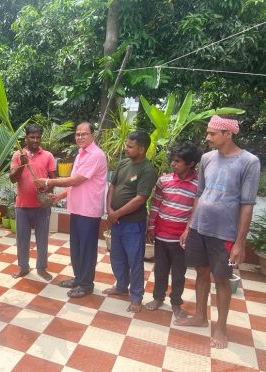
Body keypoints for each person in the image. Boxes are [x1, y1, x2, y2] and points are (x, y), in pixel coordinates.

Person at [175, 115, 260, 349]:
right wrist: (189, 226)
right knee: (201, 273)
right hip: (200, 227)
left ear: (228, 134)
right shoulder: (206, 158)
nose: (208, 137)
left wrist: (240, 242)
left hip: (225, 233)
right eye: (208, 133)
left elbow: (247, 204)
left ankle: (221, 328)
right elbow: (199, 194)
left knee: (222, 280)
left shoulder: (249, 162)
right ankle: (201, 317)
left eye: (212, 133)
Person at [35, 122, 107, 298]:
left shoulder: (96, 155)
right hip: (77, 209)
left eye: (84, 134)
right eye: (77, 134)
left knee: (87, 249)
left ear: (93, 135)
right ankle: (78, 279)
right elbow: (75, 184)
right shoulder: (81, 154)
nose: (80, 137)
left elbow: (75, 180)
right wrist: (59, 196)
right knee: (76, 247)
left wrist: (48, 182)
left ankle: (86, 284)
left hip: (89, 211)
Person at [145, 141, 202, 318]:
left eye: (177, 161)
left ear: (190, 163)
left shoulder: (198, 185)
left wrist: (188, 231)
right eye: (172, 160)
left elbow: (195, 211)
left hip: (180, 240)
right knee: (160, 270)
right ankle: (158, 297)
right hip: (161, 236)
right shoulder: (164, 181)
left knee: (179, 274)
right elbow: (156, 204)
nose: (173, 164)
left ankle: (176, 303)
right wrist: (151, 226)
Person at [103, 131, 158, 313]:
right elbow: (112, 186)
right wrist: (110, 209)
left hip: (133, 224)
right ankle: (120, 287)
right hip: (116, 221)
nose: (126, 148)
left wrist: (116, 213)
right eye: (127, 145)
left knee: (134, 260)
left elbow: (141, 198)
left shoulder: (148, 170)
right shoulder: (123, 164)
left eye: (130, 146)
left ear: (141, 149)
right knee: (116, 256)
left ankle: (136, 297)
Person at [10, 123, 56, 281]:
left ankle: (42, 268)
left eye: (38, 137)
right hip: (22, 205)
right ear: (26, 138)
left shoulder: (48, 156)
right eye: (32, 137)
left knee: (42, 238)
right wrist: (22, 164)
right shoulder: (18, 155)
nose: (36, 140)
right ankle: (23, 267)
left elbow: (53, 179)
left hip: (41, 206)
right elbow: (12, 178)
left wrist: (49, 195)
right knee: (22, 238)